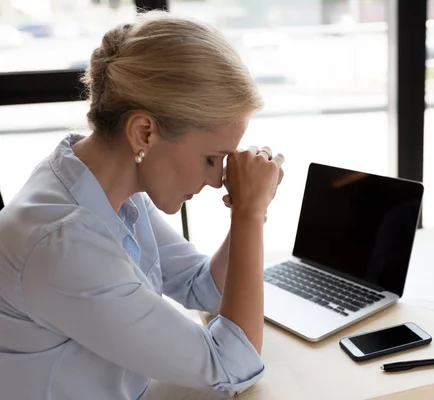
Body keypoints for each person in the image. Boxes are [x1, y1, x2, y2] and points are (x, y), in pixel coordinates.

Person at [0, 10, 285, 400]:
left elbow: (202, 287)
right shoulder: (65, 242)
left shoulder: (106, 188)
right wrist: (250, 213)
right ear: (144, 132)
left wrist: (248, 211)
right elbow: (232, 366)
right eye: (210, 159)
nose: (219, 177)